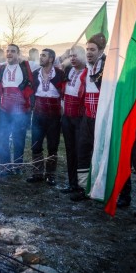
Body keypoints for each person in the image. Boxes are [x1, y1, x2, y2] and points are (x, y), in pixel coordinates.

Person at [0, 44, 35, 174]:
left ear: (18, 53)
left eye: (12, 51)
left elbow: (46, 65)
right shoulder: (1, 68)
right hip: (4, 109)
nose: (9, 53)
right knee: (3, 137)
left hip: (20, 110)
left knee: (19, 139)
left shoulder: (26, 66)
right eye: (8, 51)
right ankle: (5, 166)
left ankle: (17, 166)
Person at [27, 49, 64, 185]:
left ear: (51, 59)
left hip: (54, 116)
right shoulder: (35, 73)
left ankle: (50, 175)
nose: (40, 58)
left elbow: (64, 93)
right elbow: (31, 91)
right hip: (38, 115)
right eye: (40, 55)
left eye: (44, 56)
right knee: (36, 145)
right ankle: (37, 173)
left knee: (53, 146)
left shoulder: (60, 74)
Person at [77, 33, 106, 192]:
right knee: (83, 150)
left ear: (101, 51)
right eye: (87, 49)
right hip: (88, 117)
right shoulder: (87, 68)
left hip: (103, 118)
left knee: (102, 153)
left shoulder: (107, 67)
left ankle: (101, 188)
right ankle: (84, 187)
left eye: (92, 49)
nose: (88, 52)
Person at [59, 45, 87, 200]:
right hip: (67, 117)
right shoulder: (68, 71)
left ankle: (82, 186)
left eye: (76, 55)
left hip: (80, 118)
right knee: (70, 150)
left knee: (81, 152)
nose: (73, 58)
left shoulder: (89, 73)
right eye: (71, 56)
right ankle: (72, 183)